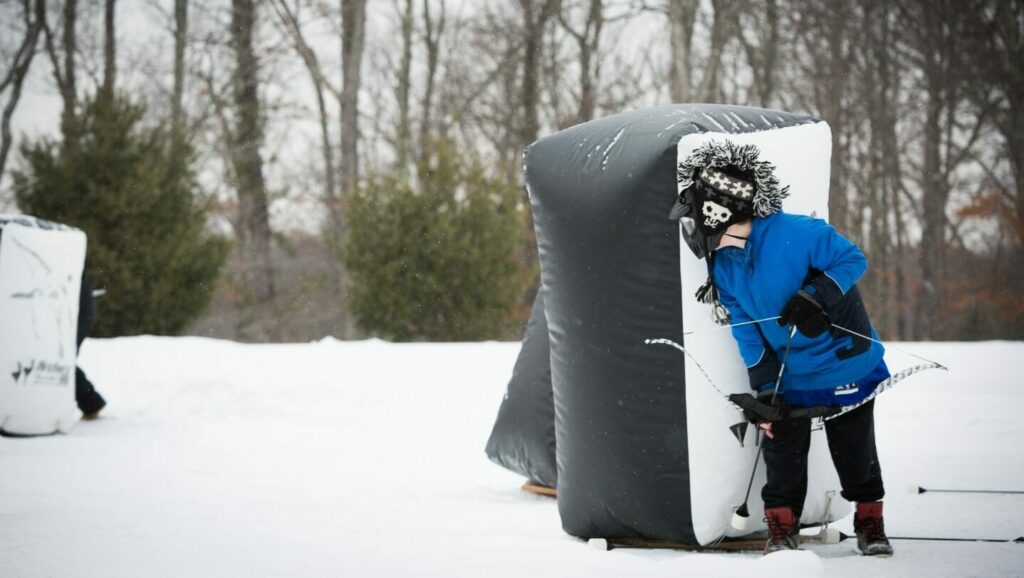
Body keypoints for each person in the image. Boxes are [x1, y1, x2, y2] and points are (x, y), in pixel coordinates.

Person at [669, 140, 893, 557]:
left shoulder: (799, 233)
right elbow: (746, 330)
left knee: (854, 447)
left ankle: (870, 520)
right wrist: (765, 388)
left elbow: (852, 260)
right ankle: (781, 528)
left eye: (695, 221)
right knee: (781, 446)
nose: (692, 233)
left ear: (720, 216)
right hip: (791, 374)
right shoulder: (723, 266)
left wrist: (815, 296)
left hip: (845, 362)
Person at [76, 266, 106, 419]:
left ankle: (91, 402)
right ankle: (91, 402)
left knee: (61, 361)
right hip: (74, 313)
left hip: (76, 315)